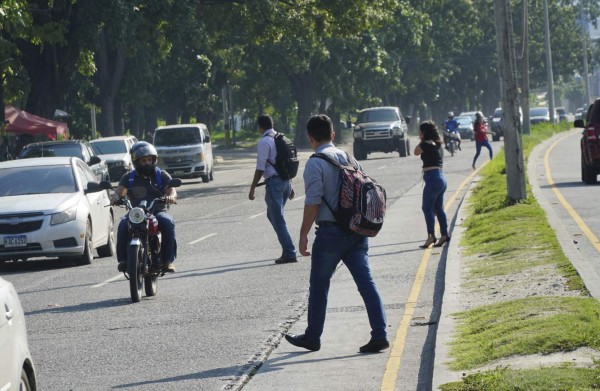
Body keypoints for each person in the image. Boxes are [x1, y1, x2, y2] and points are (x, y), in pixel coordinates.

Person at [285, 114, 389, 353]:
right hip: (357, 230)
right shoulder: (349, 158)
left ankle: (312, 337)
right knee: (366, 283)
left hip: (331, 234)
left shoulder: (315, 162)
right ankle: (380, 333)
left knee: (319, 285)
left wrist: (303, 234)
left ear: (310, 138)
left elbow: (312, 202)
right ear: (332, 135)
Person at [114, 141, 178, 273]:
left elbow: (172, 190)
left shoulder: (161, 175)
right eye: (143, 160)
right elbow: (119, 192)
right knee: (122, 225)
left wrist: (171, 196)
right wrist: (116, 198)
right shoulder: (129, 178)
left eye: (149, 159)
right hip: (136, 214)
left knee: (167, 222)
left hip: (157, 212)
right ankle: (123, 260)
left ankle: (167, 261)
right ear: (136, 161)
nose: (147, 163)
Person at [248, 114, 297, 264]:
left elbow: (260, 167)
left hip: (275, 184)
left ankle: (290, 252)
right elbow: (284, 163)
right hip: (285, 182)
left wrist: (252, 188)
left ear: (260, 127)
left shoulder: (264, 142)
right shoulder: (280, 138)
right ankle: (286, 248)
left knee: (278, 219)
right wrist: (290, 184)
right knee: (272, 215)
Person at [414, 121, 450, 248]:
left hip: (433, 179)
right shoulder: (438, 144)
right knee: (438, 209)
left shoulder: (426, 143)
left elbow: (416, 151)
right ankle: (444, 234)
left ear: (424, 132)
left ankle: (431, 236)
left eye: (420, 132)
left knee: (427, 208)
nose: (419, 134)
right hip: (440, 178)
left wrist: (422, 139)